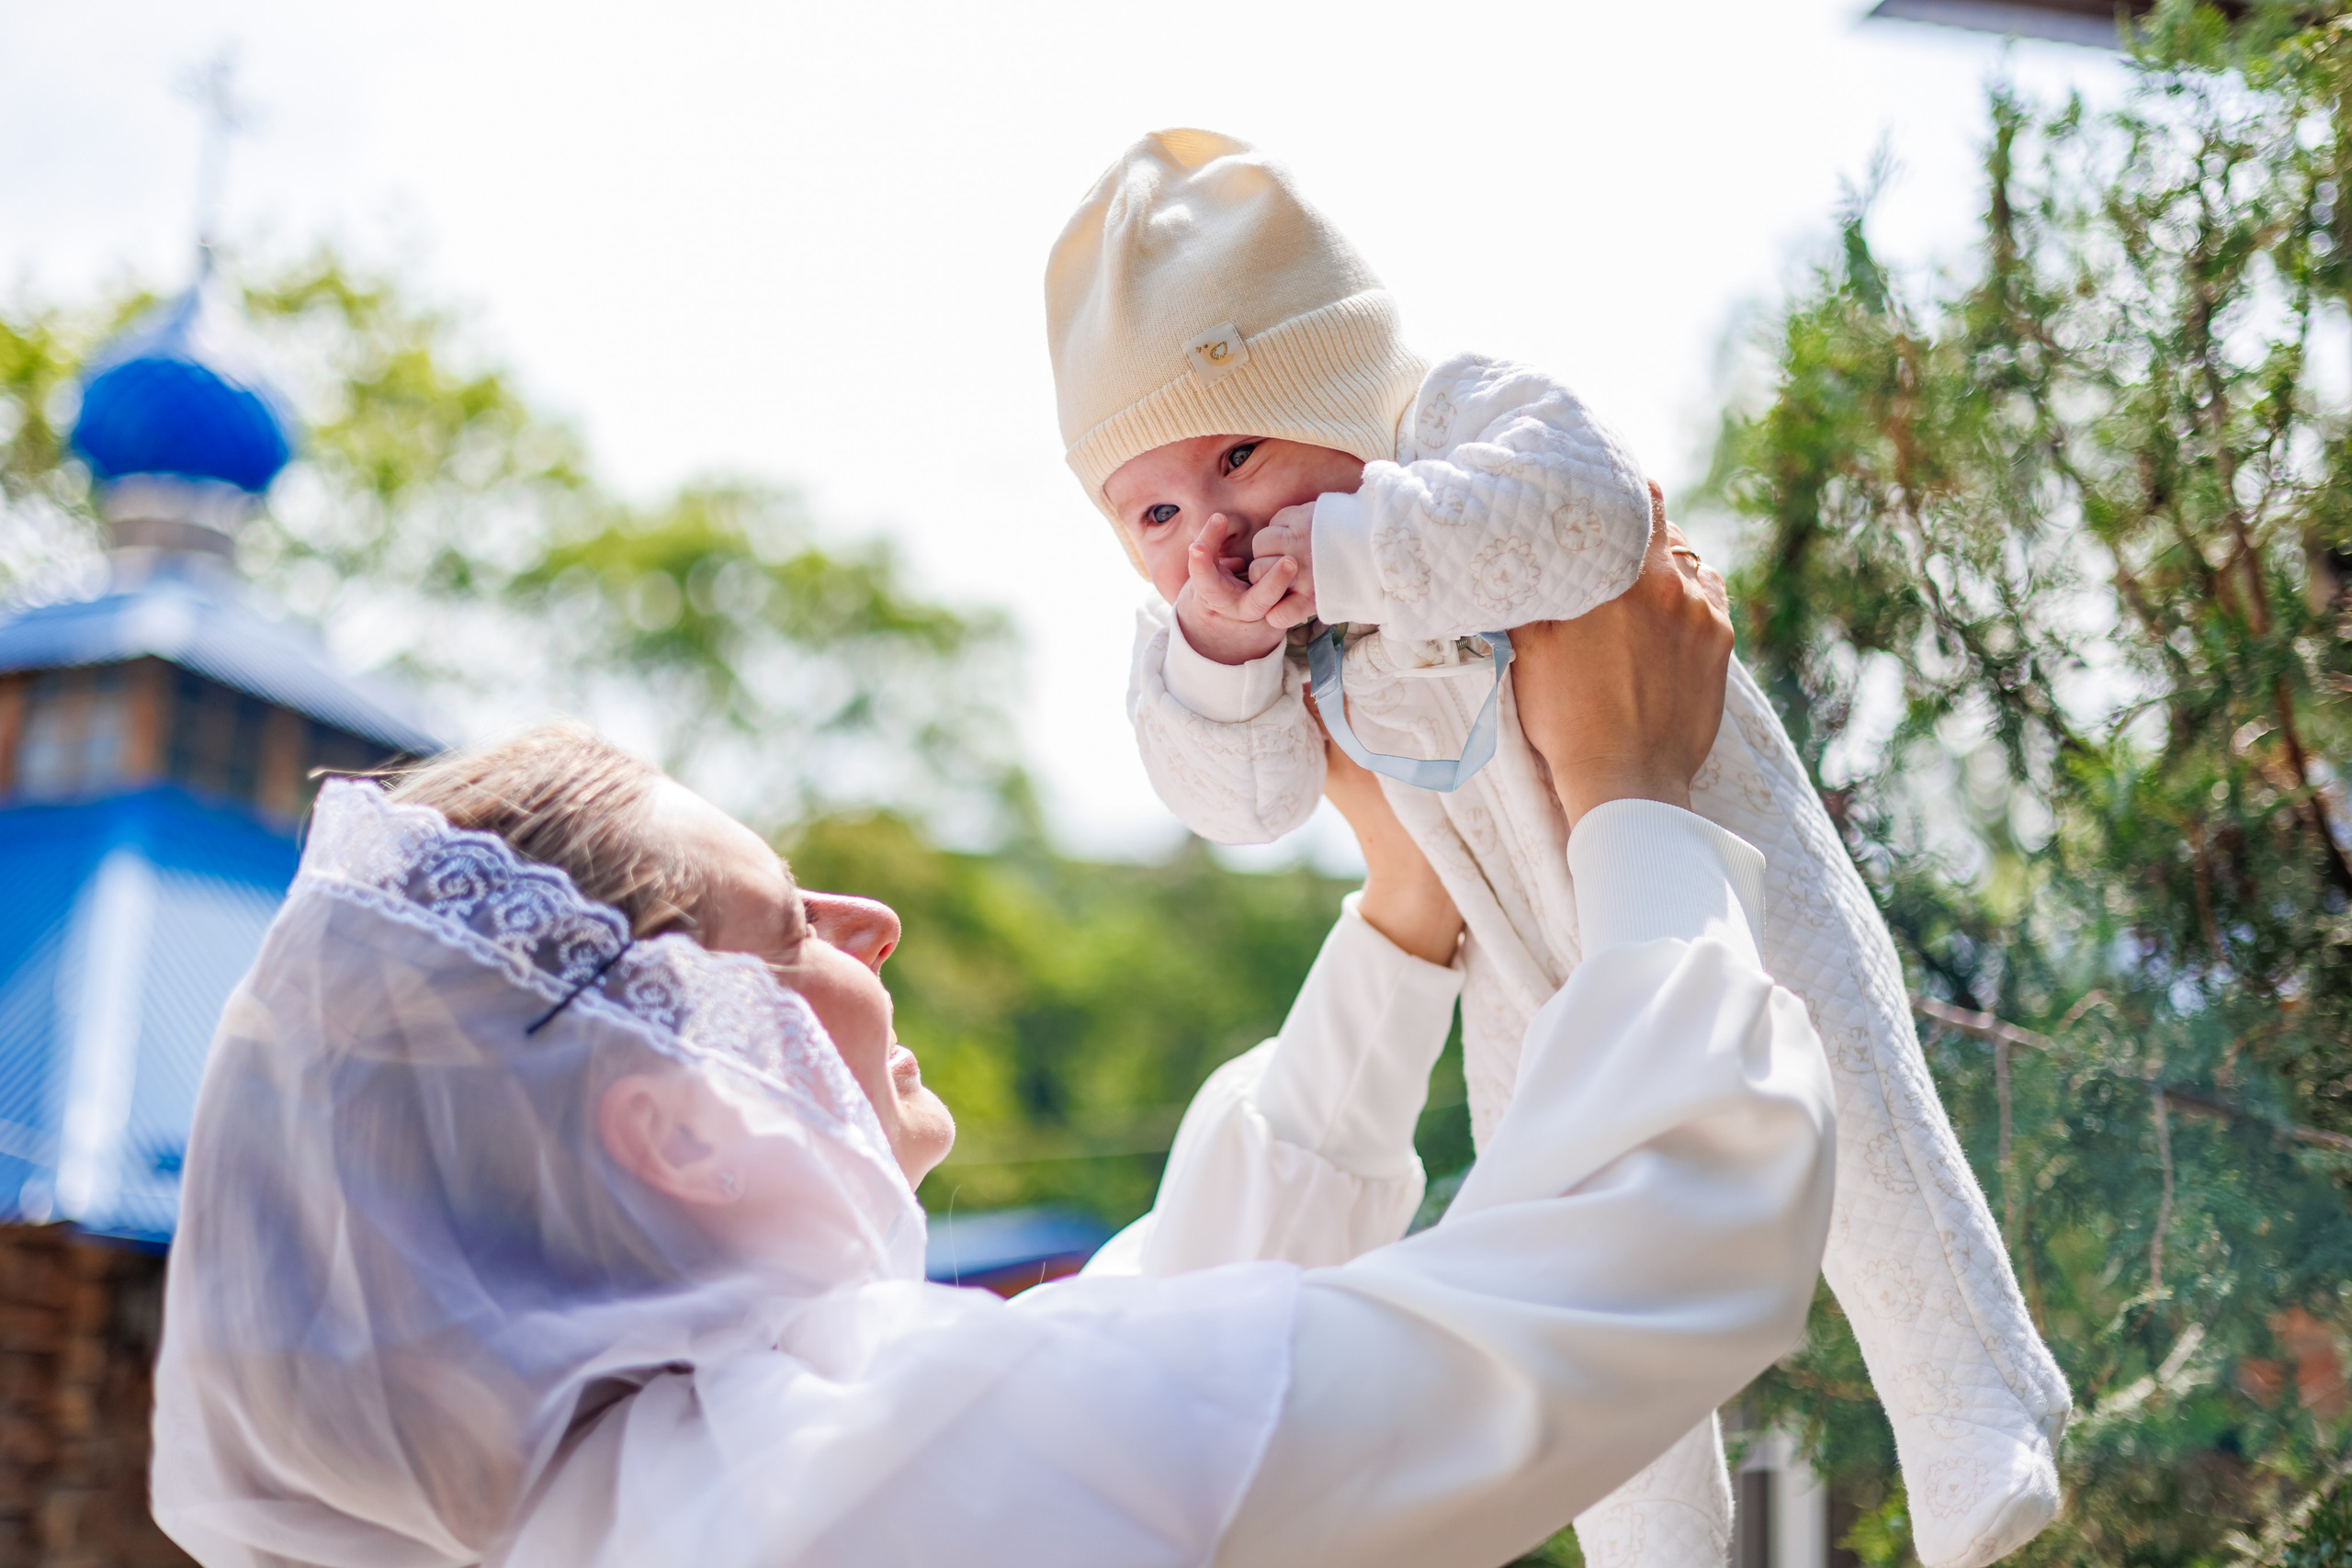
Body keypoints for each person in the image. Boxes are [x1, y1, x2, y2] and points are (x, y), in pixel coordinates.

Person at [152, 536, 1831, 1568]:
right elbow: (1630, 1272)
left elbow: (1156, 1351)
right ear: (673, 1123)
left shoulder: (645, 1493)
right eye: (787, 927)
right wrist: (1628, 793)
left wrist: (1401, 917)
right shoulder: (842, 1498)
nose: (870, 920)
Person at [1043, 128, 2068, 1568]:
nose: (1217, 532)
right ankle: (1655, 1544)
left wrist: (1344, 548)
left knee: (1863, 1126)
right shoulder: (1242, 624)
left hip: (1718, 854)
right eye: (1155, 514)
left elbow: (1585, 520)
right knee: (1569, 1249)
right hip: (1513, 957)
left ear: (1331, 385)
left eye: (1239, 453)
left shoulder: (1457, 428)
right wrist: (1215, 652)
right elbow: (1244, 799)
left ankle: (1976, 1399)